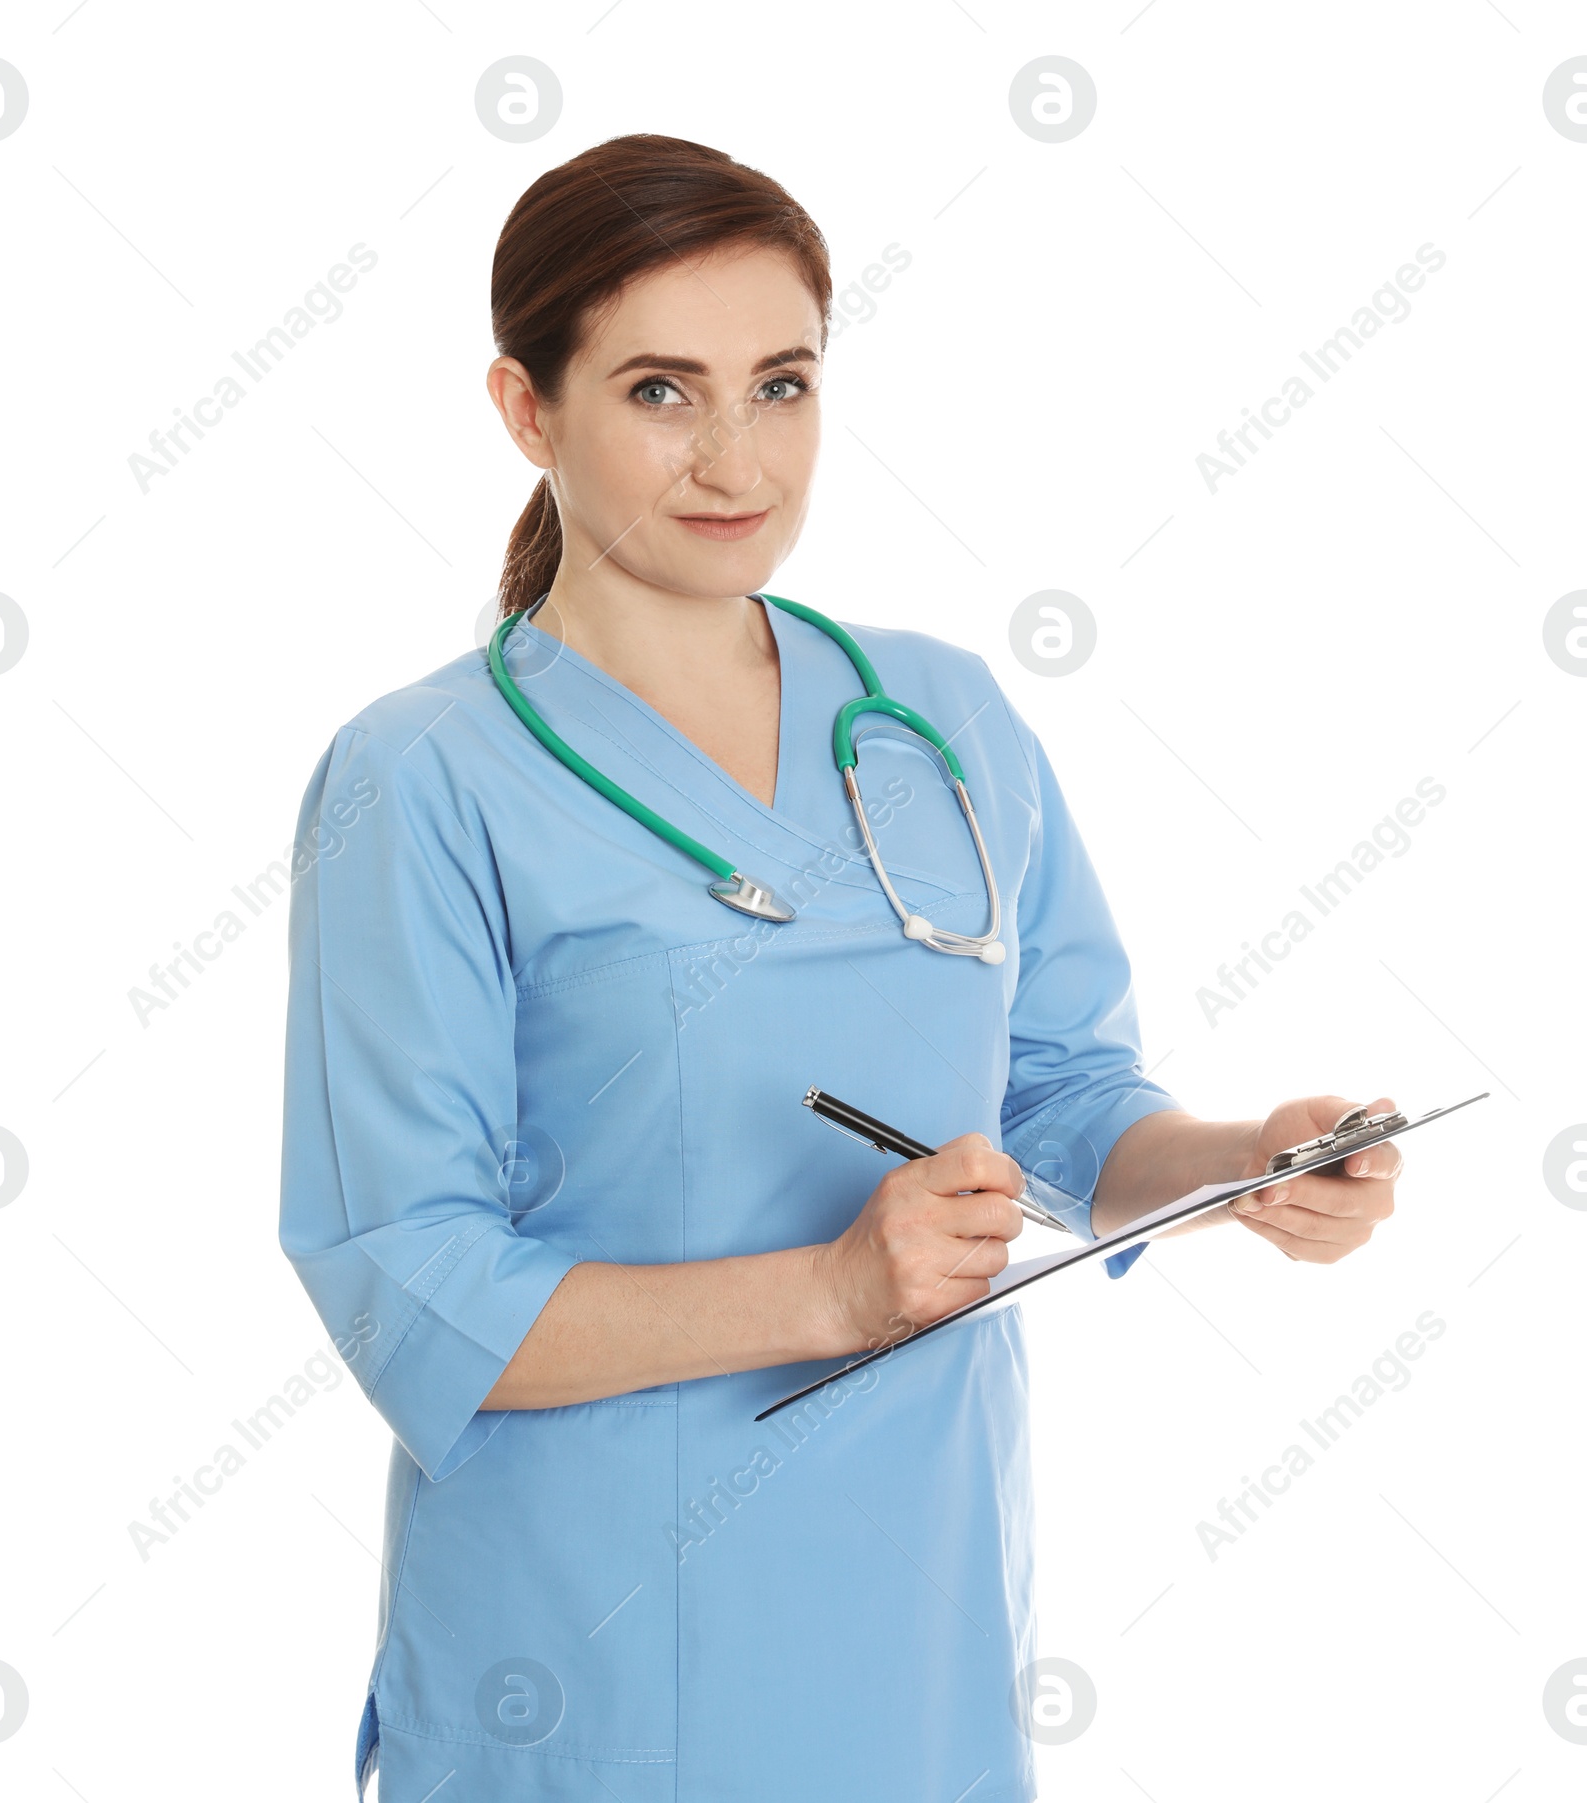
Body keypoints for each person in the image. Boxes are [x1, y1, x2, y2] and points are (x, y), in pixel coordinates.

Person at [278, 132, 1402, 1802]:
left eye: (783, 383)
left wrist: (1237, 1166)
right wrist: (829, 1294)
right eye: (662, 391)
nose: (737, 456)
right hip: (588, 1644)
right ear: (527, 410)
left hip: (914, 1614)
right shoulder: (423, 778)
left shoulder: (943, 719)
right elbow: (405, 1282)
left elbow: (1061, 1093)